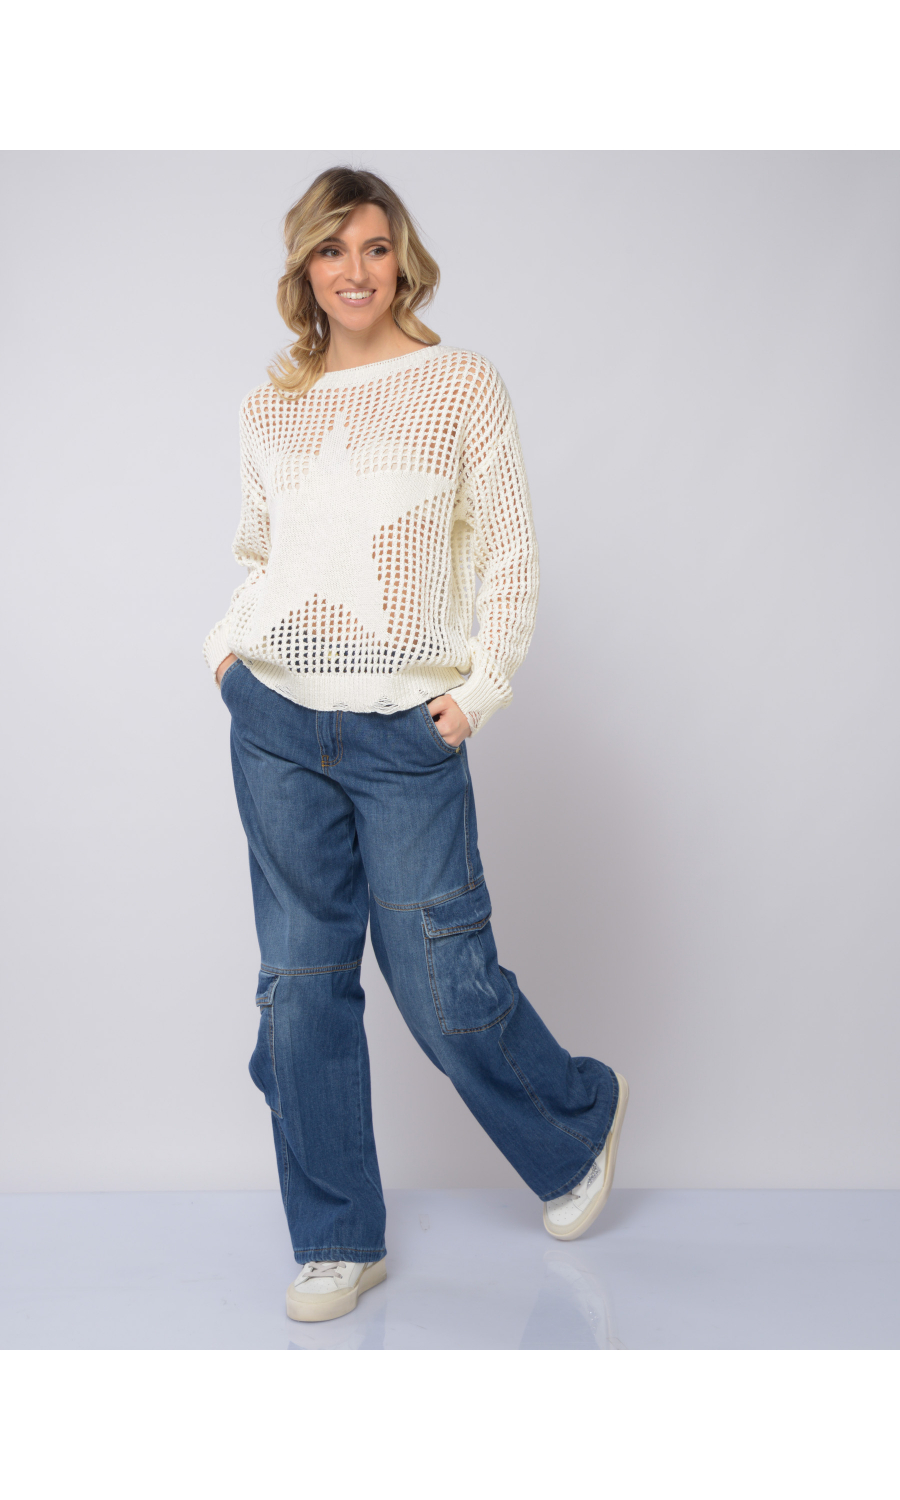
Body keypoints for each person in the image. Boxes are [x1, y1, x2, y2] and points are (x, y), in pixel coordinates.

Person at [203, 165, 629, 1324]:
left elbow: (510, 552)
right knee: (299, 989)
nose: (355, 271)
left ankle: (575, 1122)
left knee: (442, 985)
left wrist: (479, 689)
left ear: (405, 261)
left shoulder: (460, 385)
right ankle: (337, 1238)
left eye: (376, 247)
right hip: (275, 721)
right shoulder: (269, 406)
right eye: (331, 250)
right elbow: (261, 555)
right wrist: (227, 656)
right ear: (304, 268)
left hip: (405, 728)